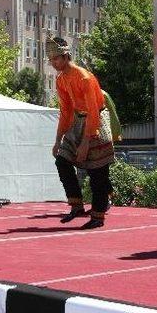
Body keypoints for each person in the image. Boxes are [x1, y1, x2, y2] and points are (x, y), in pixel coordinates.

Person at [48, 36, 115, 230]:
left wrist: (86, 141)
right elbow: (66, 111)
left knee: (97, 172)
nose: (53, 64)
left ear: (66, 56)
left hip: (97, 120)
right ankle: (76, 204)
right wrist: (57, 140)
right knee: (62, 160)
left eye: (56, 59)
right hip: (78, 120)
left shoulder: (83, 77)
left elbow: (93, 110)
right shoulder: (61, 80)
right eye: (51, 60)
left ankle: (98, 215)